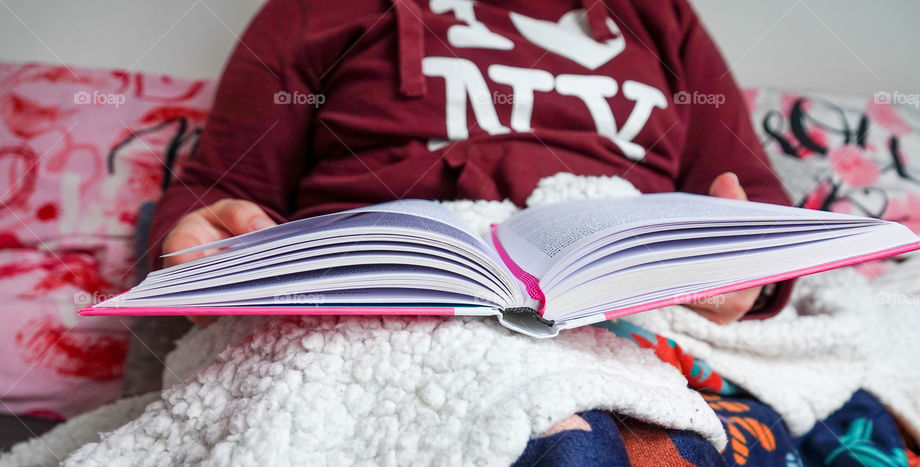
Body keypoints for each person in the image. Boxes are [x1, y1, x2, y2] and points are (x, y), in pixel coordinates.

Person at [148, 0, 794, 324]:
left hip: (620, 313)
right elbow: (224, 188)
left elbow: (748, 193)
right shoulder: (314, 10)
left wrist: (747, 271)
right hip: (373, 306)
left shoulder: (659, 15)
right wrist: (196, 242)